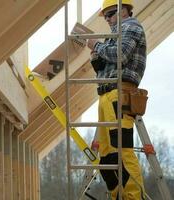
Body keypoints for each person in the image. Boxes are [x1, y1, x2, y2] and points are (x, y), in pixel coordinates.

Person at [86, 0, 147, 199]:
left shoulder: (131, 26)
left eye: (110, 14)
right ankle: (118, 196)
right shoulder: (114, 34)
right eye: (105, 17)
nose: (108, 20)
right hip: (107, 95)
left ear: (123, 10)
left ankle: (132, 197)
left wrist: (97, 45)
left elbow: (120, 54)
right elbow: (106, 65)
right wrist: (97, 56)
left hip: (119, 94)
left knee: (121, 152)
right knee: (106, 156)